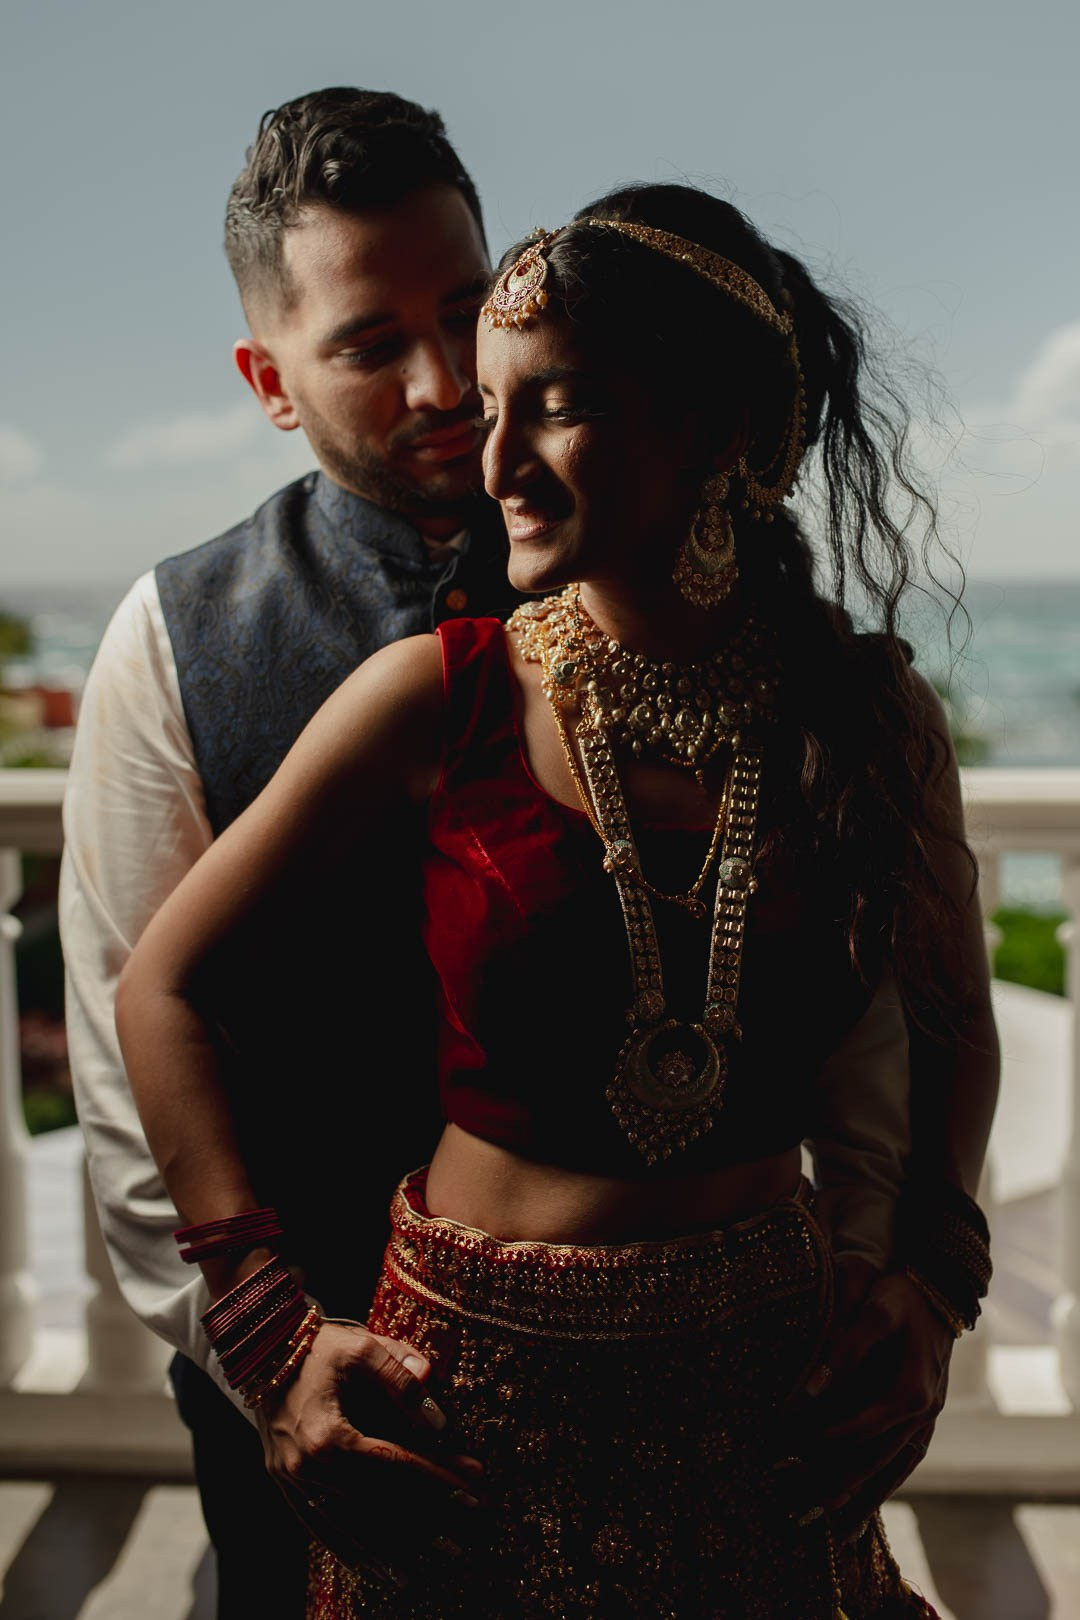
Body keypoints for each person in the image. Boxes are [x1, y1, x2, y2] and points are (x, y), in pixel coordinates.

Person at [112, 182, 998, 1616]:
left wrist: (935, 1287)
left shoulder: (863, 715)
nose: (496, 459)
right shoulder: (437, 694)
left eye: (558, 407)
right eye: (491, 405)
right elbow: (163, 988)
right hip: (469, 1410)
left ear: (713, 427)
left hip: (763, 1409)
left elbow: (953, 1019)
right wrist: (265, 1324)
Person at [58, 85, 522, 1616]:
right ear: (270, 379)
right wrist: (270, 1355)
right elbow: (132, 1035)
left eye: (465, 309)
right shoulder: (173, 637)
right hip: (306, 1378)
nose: (448, 380)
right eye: (371, 343)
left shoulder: (661, 575)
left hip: (643, 1366)